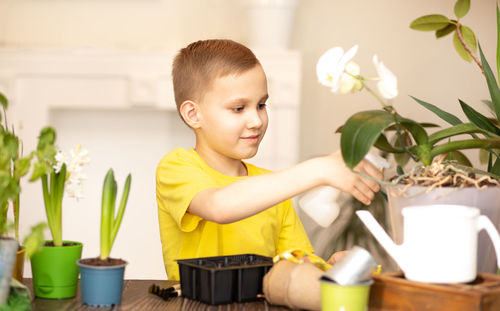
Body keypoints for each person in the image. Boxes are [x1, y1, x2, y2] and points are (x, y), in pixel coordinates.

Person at [156, 39, 382, 280]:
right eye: (238, 108)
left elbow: (295, 266)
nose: (256, 120)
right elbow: (218, 206)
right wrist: (318, 169)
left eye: (261, 105)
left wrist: (331, 268)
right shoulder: (176, 167)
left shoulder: (272, 189)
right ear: (194, 114)